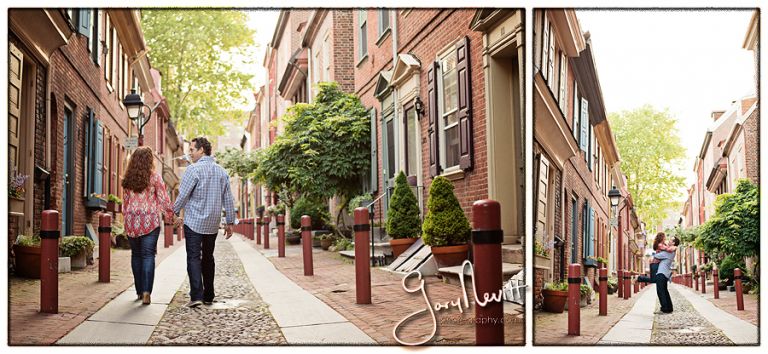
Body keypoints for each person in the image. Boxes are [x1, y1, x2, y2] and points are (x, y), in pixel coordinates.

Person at [173, 137, 236, 308]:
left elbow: (183, 195)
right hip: (212, 224)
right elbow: (228, 199)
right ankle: (209, 295)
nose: (190, 153)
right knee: (208, 257)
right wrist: (230, 222)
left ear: (202, 150)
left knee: (193, 257)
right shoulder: (222, 172)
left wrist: (173, 211)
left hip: (193, 222)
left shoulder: (192, 170)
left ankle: (196, 296)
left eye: (192, 150)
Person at [121, 146, 179, 305]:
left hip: (132, 221)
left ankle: (139, 291)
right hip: (150, 221)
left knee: (136, 255)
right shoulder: (155, 177)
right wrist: (171, 217)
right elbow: (163, 199)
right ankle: (147, 292)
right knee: (147, 255)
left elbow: (125, 204)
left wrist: (126, 219)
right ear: (150, 161)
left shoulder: (127, 180)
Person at [653, 235, 680, 314]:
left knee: (660, 291)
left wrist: (659, 251)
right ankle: (669, 308)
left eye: (671, 240)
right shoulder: (671, 251)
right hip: (665, 274)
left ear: (674, 243)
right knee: (665, 291)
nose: (669, 241)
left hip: (661, 273)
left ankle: (664, 308)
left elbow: (656, 256)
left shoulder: (669, 252)